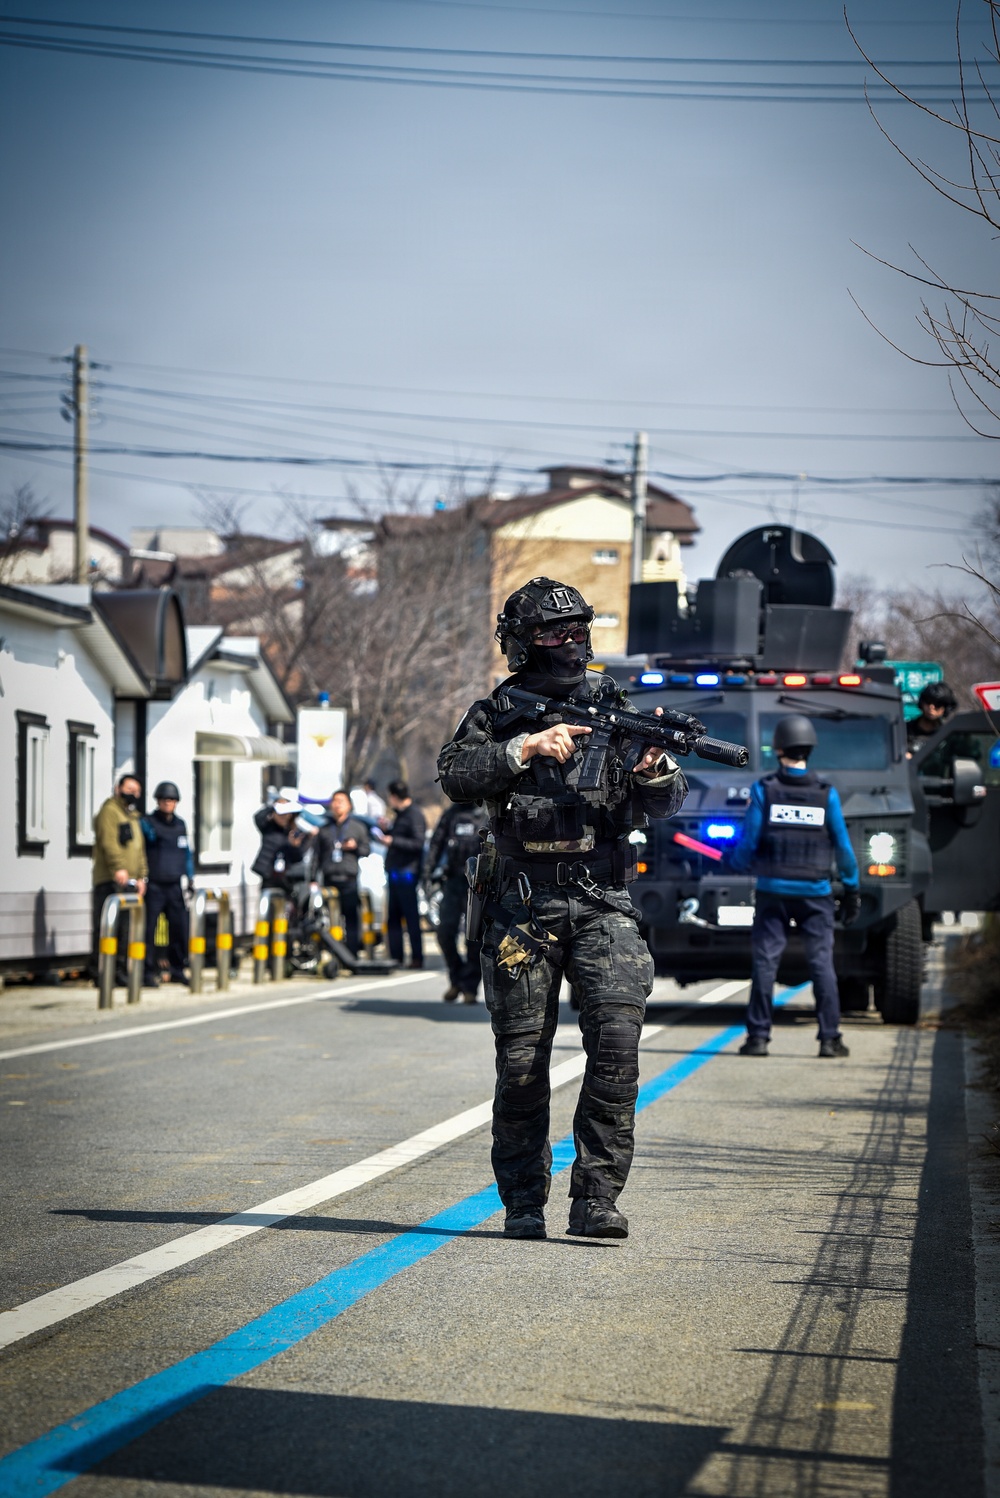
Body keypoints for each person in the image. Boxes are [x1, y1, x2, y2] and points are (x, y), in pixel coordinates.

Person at [438, 576, 688, 1241]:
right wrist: (526, 748)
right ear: (523, 643)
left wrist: (655, 769)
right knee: (523, 1065)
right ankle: (524, 1201)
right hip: (521, 905)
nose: (570, 643)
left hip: (602, 900)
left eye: (578, 630)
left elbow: (667, 803)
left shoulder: (615, 704)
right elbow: (455, 775)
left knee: (617, 1048)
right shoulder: (497, 711)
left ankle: (596, 1199)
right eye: (554, 633)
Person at [728, 713, 860, 1060]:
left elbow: (748, 841)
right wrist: (852, 889)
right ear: (809, 750)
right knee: (821, 965)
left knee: (765, 964)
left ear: (779, 749)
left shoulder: (764, 789)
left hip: (773, 892)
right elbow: (843, 847)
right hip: (816, 894)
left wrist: (736, 863)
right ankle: (830, 1040)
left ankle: (758, 1039)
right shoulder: (826, 794)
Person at [427, 798, 489, 1004]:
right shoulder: (451, 814)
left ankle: (470, 986)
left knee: (474, 938)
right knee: (444, 933)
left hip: (479, 884)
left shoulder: (485, 813)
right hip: (453, 881)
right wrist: (427, 873)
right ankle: (456, 979)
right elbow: (436, 844)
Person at [91, 774, 147, 987]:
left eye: (137, 791)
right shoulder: (109, 812)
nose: (133, 794)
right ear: (118, 789)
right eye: (129, 789)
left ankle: (120, 970)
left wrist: (142, 876)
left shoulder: (132, 816)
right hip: (110, 880)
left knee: (125, 929)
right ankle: (100, 971)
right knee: (106, 927)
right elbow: (109, 843)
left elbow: (139, 849)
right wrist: (118, 868)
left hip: (130, 883)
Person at [141, 781, 193, 987]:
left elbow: (186, 853)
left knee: (180, 928)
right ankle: (147, 971)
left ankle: (177, 969)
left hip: (174, 884)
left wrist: (190, 877)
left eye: (171, 800)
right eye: (164, 799)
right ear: (158, 801)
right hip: (154, 884)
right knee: (149, 930)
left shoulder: (180, 825)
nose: (168, 803)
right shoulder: (148, 822)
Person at [317, 789, 371, 955]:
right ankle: (332, 953)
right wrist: (313, 879)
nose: (337, 805)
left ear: (349, 805)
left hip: (348, 878)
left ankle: (351, 954)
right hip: (329, 878)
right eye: (334, 801)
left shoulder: (357, 827)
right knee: (329, 918)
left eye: (341, 801)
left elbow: (366, 850)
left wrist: (354, 847)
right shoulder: (324, 829)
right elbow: (317, 855)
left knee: (351, 918)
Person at [382, 780, 427, 968]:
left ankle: (417, 957)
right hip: (395, 873)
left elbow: (418, 843)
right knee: (393, 918)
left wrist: (393, 841)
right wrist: (386, 830)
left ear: (394, 796)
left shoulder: (414, 815)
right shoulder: (400, 816)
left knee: (410, 917)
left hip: (407, 873)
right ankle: (396, 957)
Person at [251, 796, 310, 890]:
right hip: (269, 874)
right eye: (280, 814)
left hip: (286, 877)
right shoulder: (269, 828)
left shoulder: (294, 833)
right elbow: (258, 817)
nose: (283, 817)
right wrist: (274, 806)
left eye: (286, 814)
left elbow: (298, 858)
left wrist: (294, 847)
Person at [906, 680, 958, 756]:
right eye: (928, 702)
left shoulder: (947, 736)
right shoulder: (905, 730)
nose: (931, 707)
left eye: (938, 704)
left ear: (945, 708)